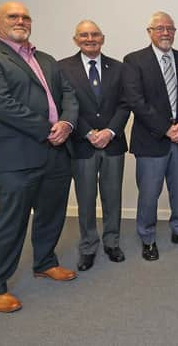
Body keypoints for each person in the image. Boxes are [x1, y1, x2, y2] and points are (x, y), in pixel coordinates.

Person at [0, 2, 79, 313]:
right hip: (18, 156)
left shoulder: (46, 59)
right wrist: (49, 128)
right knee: (13, 221)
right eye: (13, 16)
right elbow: (2, 105)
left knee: (51, 213)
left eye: (25, 17)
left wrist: (67, 123)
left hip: (57, 151)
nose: (20, 21)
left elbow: (69, 95)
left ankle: (45, 262)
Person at [123, 11, 178, 261]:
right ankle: (147, 238)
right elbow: (136, 101)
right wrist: (166, 129)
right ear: (149, 32)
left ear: (175, 32)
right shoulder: (134, 60)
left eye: (170, 28)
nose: (165, 32)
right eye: (159, 28)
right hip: (151, 140)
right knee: (149, 192)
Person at [59, 20, 130, 271]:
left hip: (113, 144)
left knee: (112, 197)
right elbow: (63, 104)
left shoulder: (119, 68)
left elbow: (125, 104)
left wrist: (110, 131)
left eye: (95, 34)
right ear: (75, 39)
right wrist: (88, 132)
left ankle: (112, 242)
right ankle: (88, 245)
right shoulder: (62, 68)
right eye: (84, 35)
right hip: (82, 144)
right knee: (86, 198)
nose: (90, 39)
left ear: (103, 37)